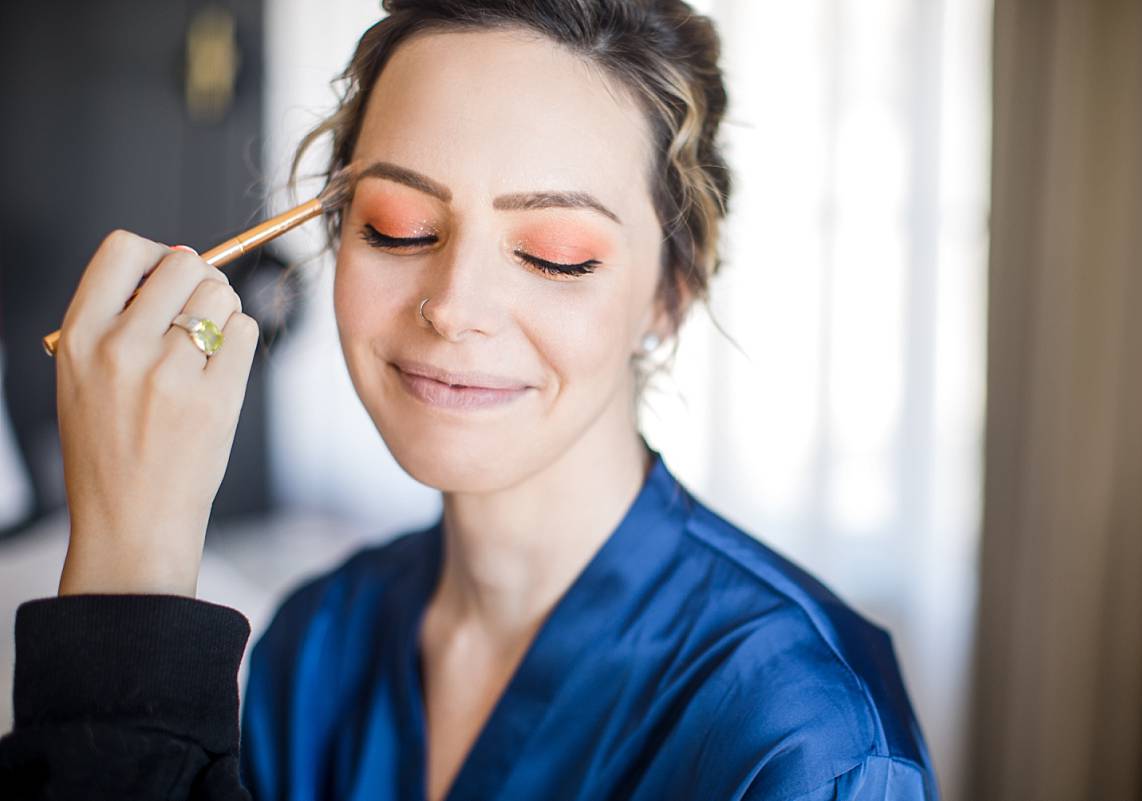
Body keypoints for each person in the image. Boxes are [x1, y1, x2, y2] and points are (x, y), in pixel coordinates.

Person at [0, 1, 940, 799]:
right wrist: (129, 555)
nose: (452, 308)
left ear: (670, 294)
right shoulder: (317, 646)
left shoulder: (809, 740)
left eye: (554, 254)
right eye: (399, 228)